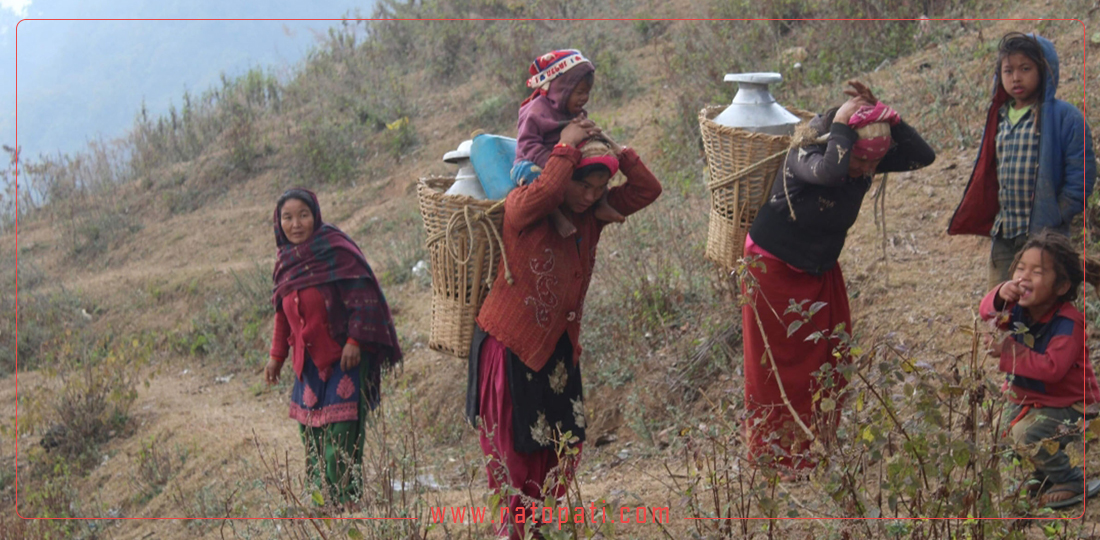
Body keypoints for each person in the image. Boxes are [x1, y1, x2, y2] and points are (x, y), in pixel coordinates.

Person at [467, 118, 661, 539]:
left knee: (563, 443)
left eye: (598, 188)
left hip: (556, 348)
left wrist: (618, 150)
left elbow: (649, 190)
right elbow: (543, 193)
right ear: (560, 177)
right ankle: (516, 531)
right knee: (518, 449)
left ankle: (536, 526)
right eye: (581, 186)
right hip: (510, 347)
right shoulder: (526, 208)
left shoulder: (592, 216)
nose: (589, 196)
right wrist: (565, 150)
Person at [741, 80, 936, 473]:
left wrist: (887, 115)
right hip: (773, 267)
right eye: (861, 161)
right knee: (776, 366)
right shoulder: (805, 154)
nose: (866, 170)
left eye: (873, 163)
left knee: (830, 355)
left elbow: (922, 155)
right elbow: (831, 172)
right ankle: (774, 455)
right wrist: (842, 122)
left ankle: (814, 446)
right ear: (839, 139)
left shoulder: (862, 157)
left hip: (819, 267)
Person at [265, 188, 402, 509]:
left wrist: (355, 341)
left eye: (303, 215)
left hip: (345, 359)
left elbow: (363, 297)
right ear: (278, 222)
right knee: (311, 433)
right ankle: (320, 498)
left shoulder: (336, 251)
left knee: (341, 432)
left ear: (315, 215)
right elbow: (282, 314)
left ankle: (346, 499)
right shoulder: (285, 262)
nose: (296, 223)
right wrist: (275, 357)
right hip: (307, 363)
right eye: (288, 217)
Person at [948, 32, 1096, 289]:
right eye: (1008, 70)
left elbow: (1081, 174)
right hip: (1004, 232)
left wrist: (1057, 213)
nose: (1016, 77)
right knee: (1002, 302)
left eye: (1025, 68)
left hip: (1045, 234)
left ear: (1045, 71)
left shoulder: (1066, 118)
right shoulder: (1000, 116)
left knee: (1044, 299)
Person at [980, 231, 1100, 509]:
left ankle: (1070, 480)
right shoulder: (1018, 309)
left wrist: (1008, 349)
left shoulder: (1070, 323)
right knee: (1002, 433)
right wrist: (999, 294)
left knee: (1025, 434)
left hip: (1073, 405)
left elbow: (1052, 369)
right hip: (1034, 400)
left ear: (1061, 287)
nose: (1024, 277)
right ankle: (1044, 474)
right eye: (1021, 268)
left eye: (1037, 272)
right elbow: (987, 315)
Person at [513, 49, 624, 238]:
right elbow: (527, 144)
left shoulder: (573, 111)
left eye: (587, 93)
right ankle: (555, 214)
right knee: (534, 176)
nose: (584, 98)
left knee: (595, 166)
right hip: (532, 163)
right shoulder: (535, 111)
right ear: (560, 89)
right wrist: (553, 163)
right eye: (579, 92)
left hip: (565, 159)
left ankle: (602, 203)